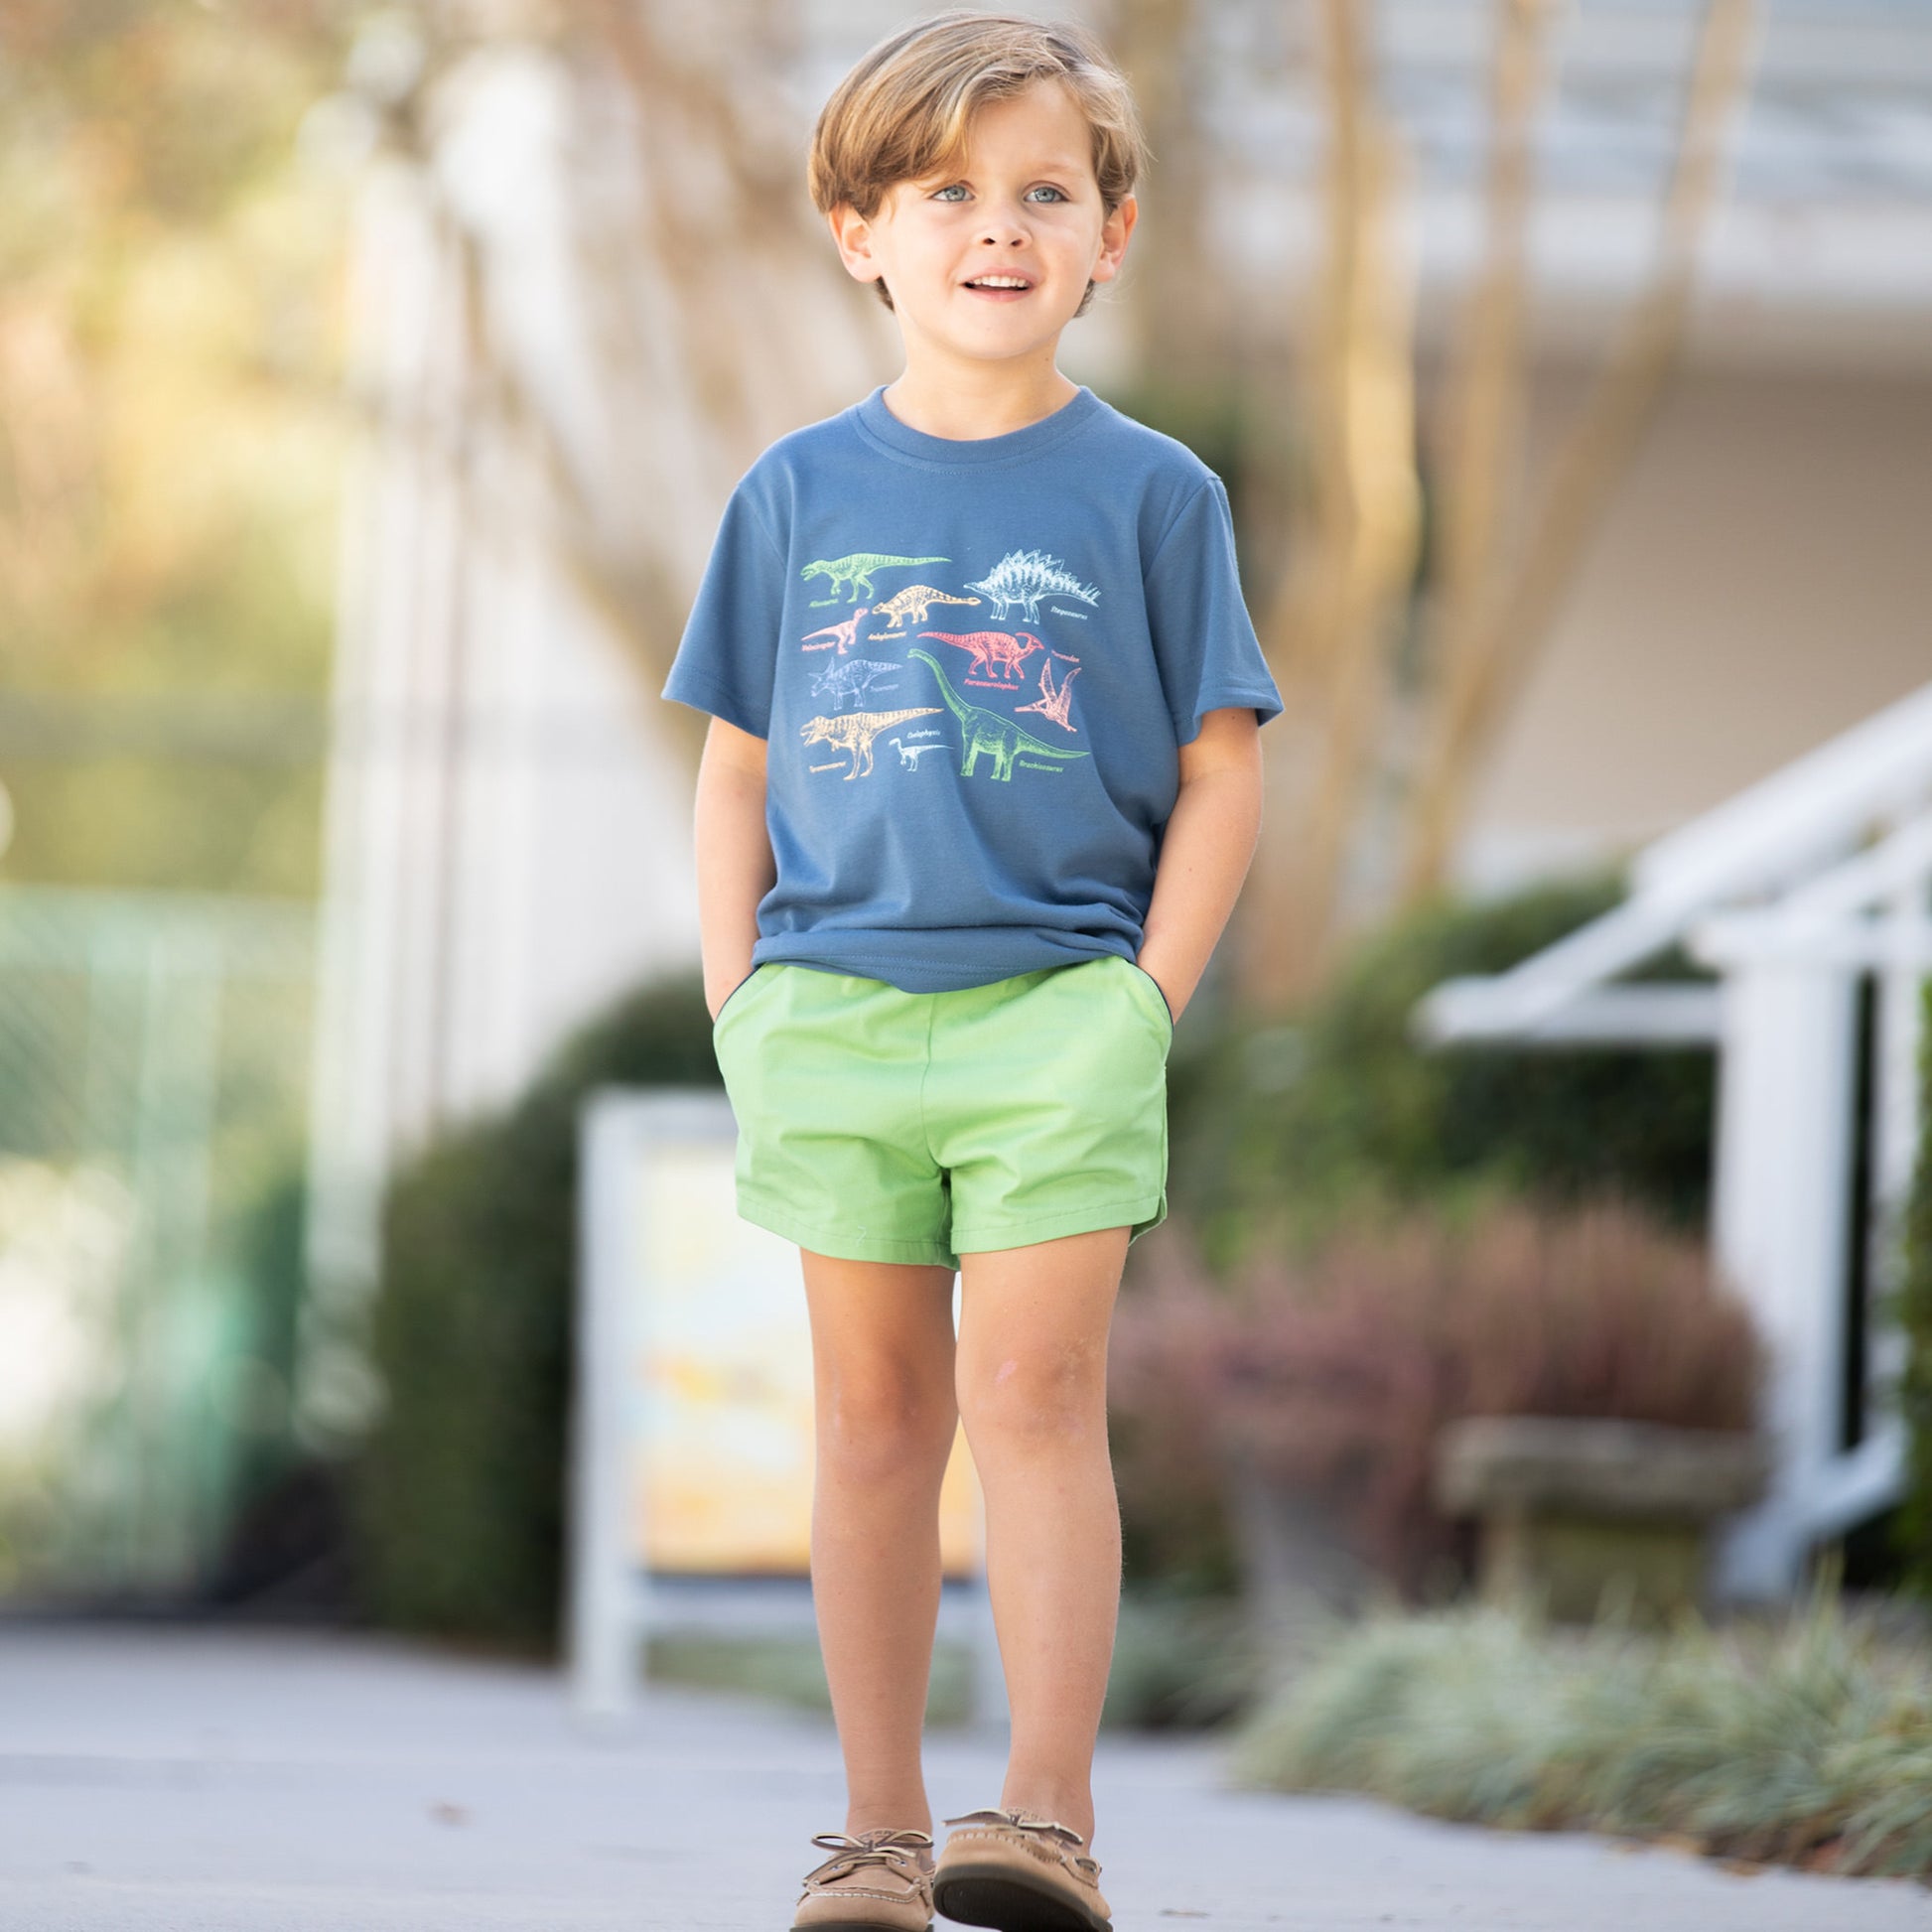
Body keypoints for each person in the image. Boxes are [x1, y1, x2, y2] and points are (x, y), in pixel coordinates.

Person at [659, 12, 1283, 1929]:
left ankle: (1044, 1818)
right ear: (861, 231)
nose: (997, 227)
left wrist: (1144, 1001)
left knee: (1031, 1394)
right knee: (864, 1422)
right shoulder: (792, 494)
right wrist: (736, 999)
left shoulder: (1153, 493)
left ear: (1108, 238)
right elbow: (735, 764)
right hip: (829, 1014)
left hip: (1059, 1020)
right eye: (947, 192)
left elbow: (1220, 767)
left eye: (1044, 192)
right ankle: (870, 1828)